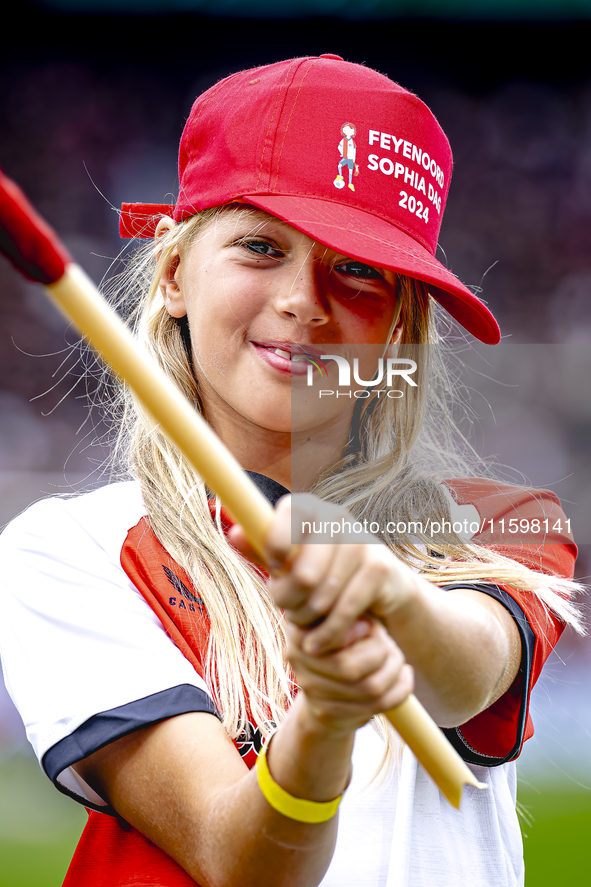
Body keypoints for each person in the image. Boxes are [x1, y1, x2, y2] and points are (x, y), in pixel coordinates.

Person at [0, 55, 583, 887]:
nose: (303, 299)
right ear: (173, 275)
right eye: (260, 247)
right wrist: (326, 716)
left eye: (356, 268)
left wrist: (389, 596)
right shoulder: (69, 550)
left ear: (400, 329)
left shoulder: (502, 522)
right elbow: (242, 864)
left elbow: (463, 673)